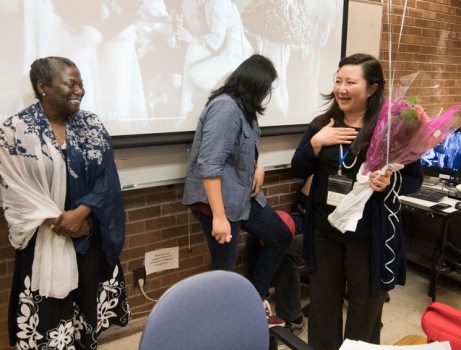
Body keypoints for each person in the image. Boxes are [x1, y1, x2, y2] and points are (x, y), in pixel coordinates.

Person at [291, 53, 423, 349]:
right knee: (323, 307)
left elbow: (415, 180)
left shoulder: (390, 130)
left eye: (351, 82)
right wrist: (315, 143)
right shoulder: (322, 124)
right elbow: (298, 169)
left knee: (364, 310)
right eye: (338, 81)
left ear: (372, 88)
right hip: (325, 232)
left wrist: (389, 182)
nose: (341, 88)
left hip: (367, 236)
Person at [1, 56, 130, 349]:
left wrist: (81, 214)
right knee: (49, 318)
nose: (80, 91)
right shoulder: (14, 130)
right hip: (43, 237)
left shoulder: (92, 124)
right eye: (71, 84)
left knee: (85, 311)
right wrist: (57, 221)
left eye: (81, 85)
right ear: (43, 87)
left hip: (88, 233)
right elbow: (13, 186)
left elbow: (107, 176)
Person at [182, 54, 292, 327]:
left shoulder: (245, 109)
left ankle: (253, 299)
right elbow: (209, 165)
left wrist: (259, 166)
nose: (267, 94)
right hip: (218, 203)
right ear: (255, 84)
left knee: (279, 236)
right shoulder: (226, 108)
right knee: (224, 272)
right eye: (266, 89)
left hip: (243, 197)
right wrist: (219, 218)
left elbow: (241, 151)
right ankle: (221, 327)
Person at [245, 177, 312, 336]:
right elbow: (302, 201)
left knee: (286, 248)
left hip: (324, 231)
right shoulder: (315, 163)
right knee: (257, 237)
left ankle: (293, 320)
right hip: (302, 220)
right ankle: (257, 298)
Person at [175, 0, 253, 117]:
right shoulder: (213, 3)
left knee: (195, 74)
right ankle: (185, 106)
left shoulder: (215, 3)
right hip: (227, 50)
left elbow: (217, 41)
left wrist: (192, 38)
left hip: (233, 55)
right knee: (193, 50)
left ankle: (234, 98)